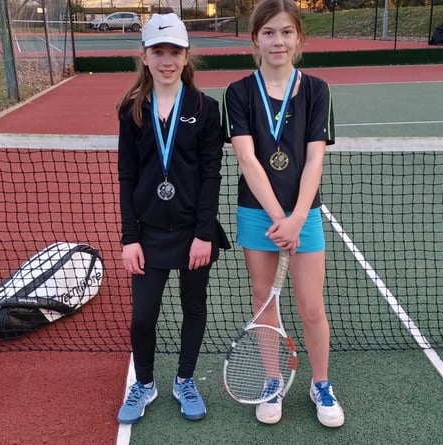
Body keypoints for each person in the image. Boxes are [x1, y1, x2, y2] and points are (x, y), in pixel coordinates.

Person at [222, 0, 344, 428]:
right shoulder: (237, 93)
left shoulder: (316, 90)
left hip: (304, 216)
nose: (278, 41)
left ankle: (321, 383)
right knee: (264, 303)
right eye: (269, 32)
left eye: (286, 32)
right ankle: (272, 380)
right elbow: (248, 161)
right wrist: (278, 218)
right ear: (255, 39)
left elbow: (315, 161)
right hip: (258, 214)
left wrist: (295, 219)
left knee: (312, 307)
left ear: (299, 38)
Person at [116, 13, 229, 424]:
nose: (167, 60)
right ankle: (144, 383)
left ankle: (184, 379)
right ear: (144, 57)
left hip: (192, 235)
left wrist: (204, 234)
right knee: (143, 315)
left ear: (186, 56)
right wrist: (130, 238)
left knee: (193, 307)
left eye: (175, 52)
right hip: (147, 235)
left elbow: (210, 174)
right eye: (158, 51)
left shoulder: (205, 108)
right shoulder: (131, 110)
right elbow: (127, 175)